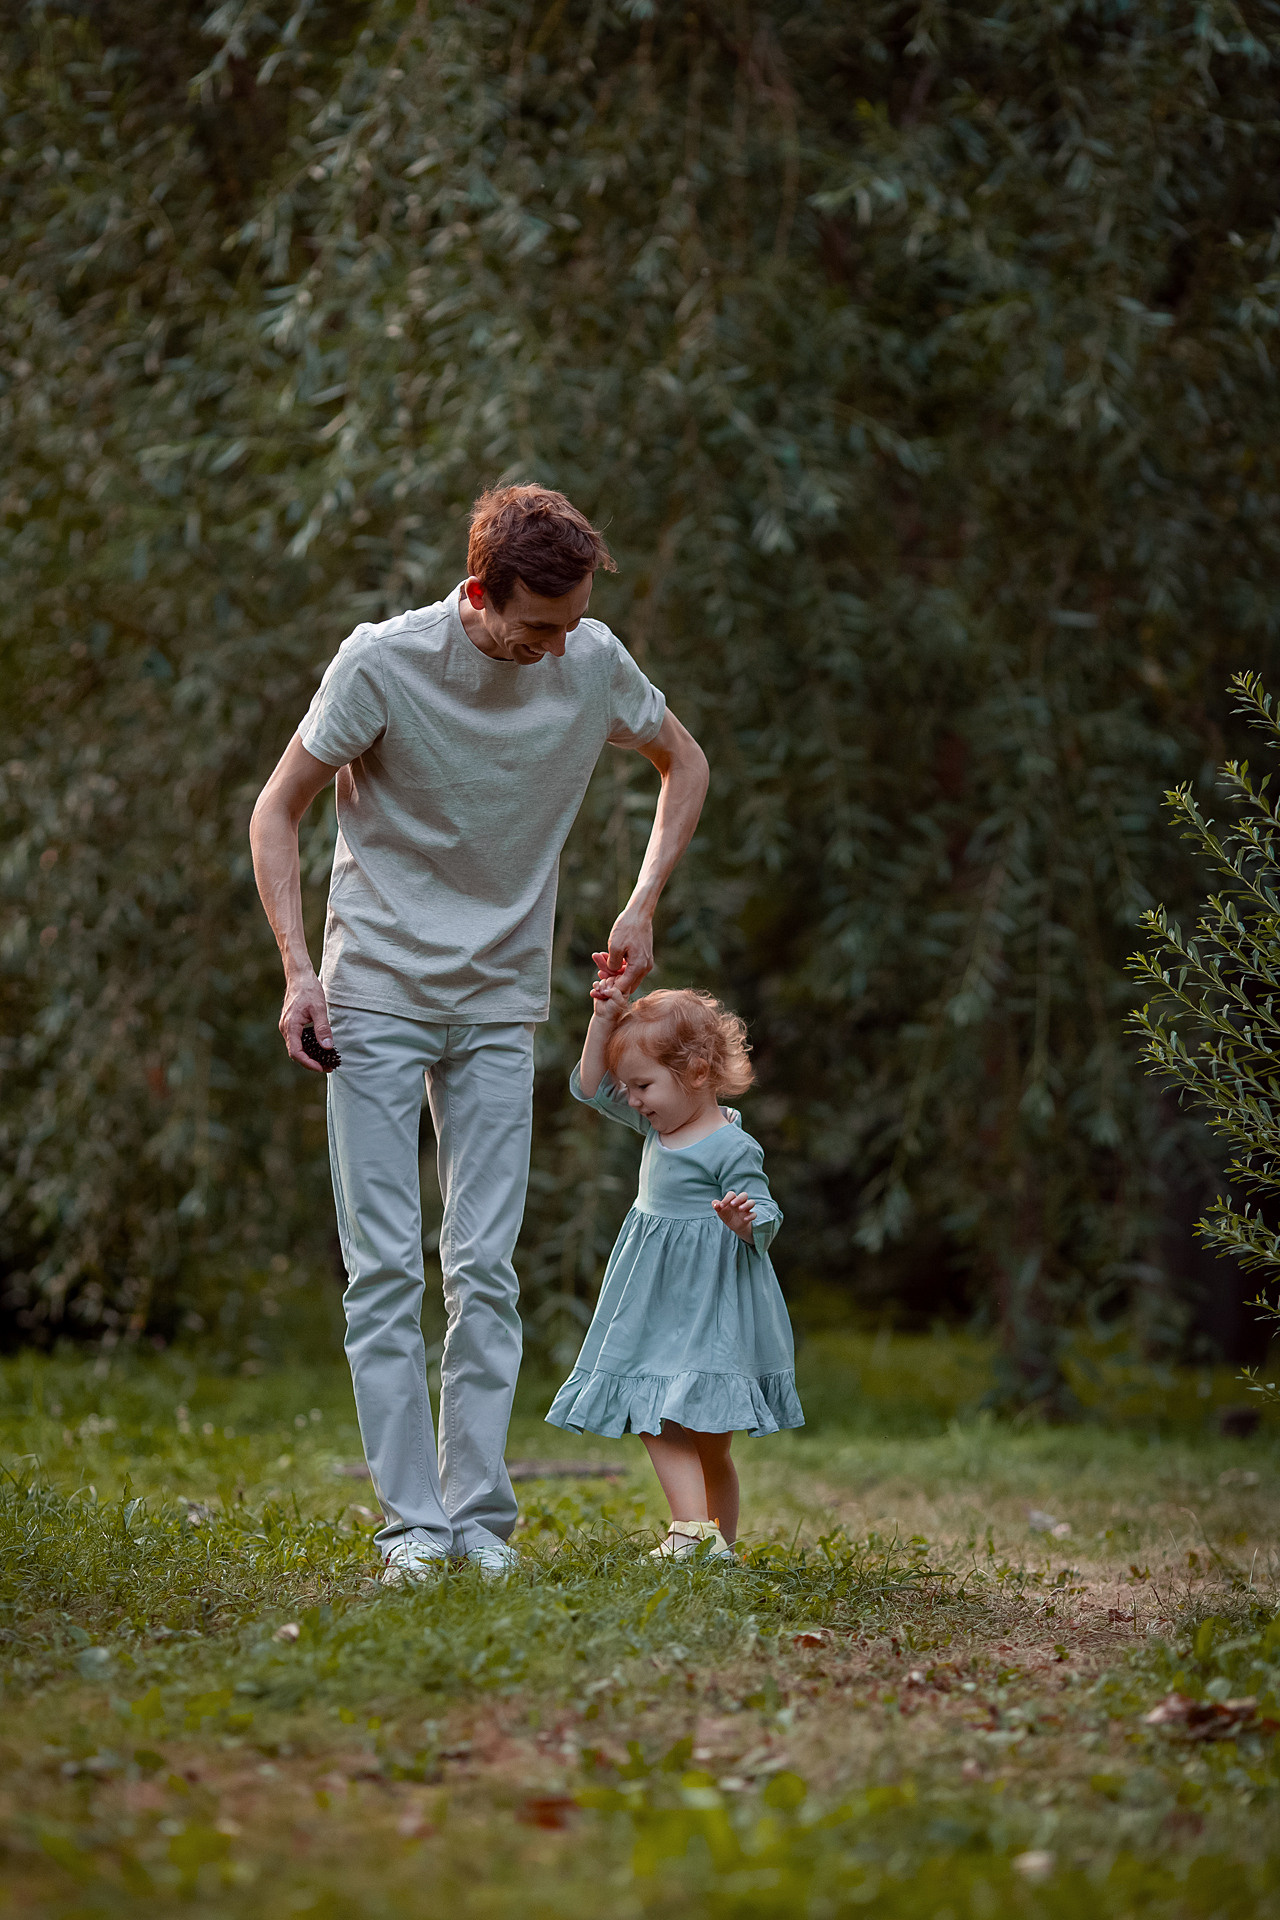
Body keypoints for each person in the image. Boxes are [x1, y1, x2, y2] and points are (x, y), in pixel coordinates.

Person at [249, 485, 708, 1581]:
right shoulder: (382, 663)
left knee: (485, 1269)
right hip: (374, 994)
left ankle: (479, 1522)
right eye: (537, 626)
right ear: (478, 593)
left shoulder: (591, 658)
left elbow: (684, 763)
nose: (558, 647)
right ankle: (411, 1525)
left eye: (573, 621)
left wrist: (641, 902)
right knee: (381, 1273)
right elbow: (277, 809)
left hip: (501, 999)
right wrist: (300, 972)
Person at [545, 982, 803, 1560]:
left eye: (643, 1086)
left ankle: (712, 1546)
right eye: (631, 1087)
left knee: (711, 1443)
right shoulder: (657, 1126)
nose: (632, 1100)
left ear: (696, 1072)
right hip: (656, 1301)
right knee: (653, 1411)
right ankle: (694, 1534)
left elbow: (766, 1212)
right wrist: (603, 1020)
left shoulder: (731, 1145)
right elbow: (588, 1086)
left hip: (710, 1306)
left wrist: (743, 1221)